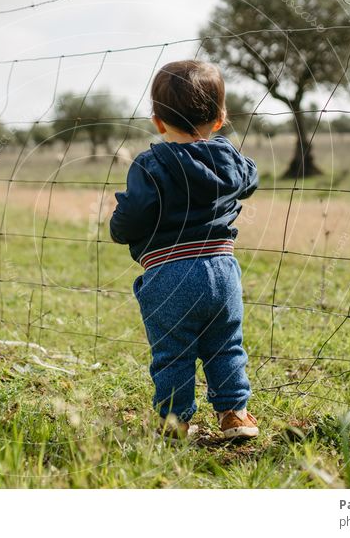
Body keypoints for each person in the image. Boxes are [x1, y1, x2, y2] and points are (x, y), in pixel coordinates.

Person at [109, 60, 259, 441]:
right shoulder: (230, 159)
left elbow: (133, 215)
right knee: (226, 344)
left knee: (172, 353)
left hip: (168, 271)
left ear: (158, 121)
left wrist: (119, 228)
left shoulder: (150, 165)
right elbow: (251, 178)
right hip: (222, 269)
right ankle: (235, 415)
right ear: (221, 117)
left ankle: (175, 423)